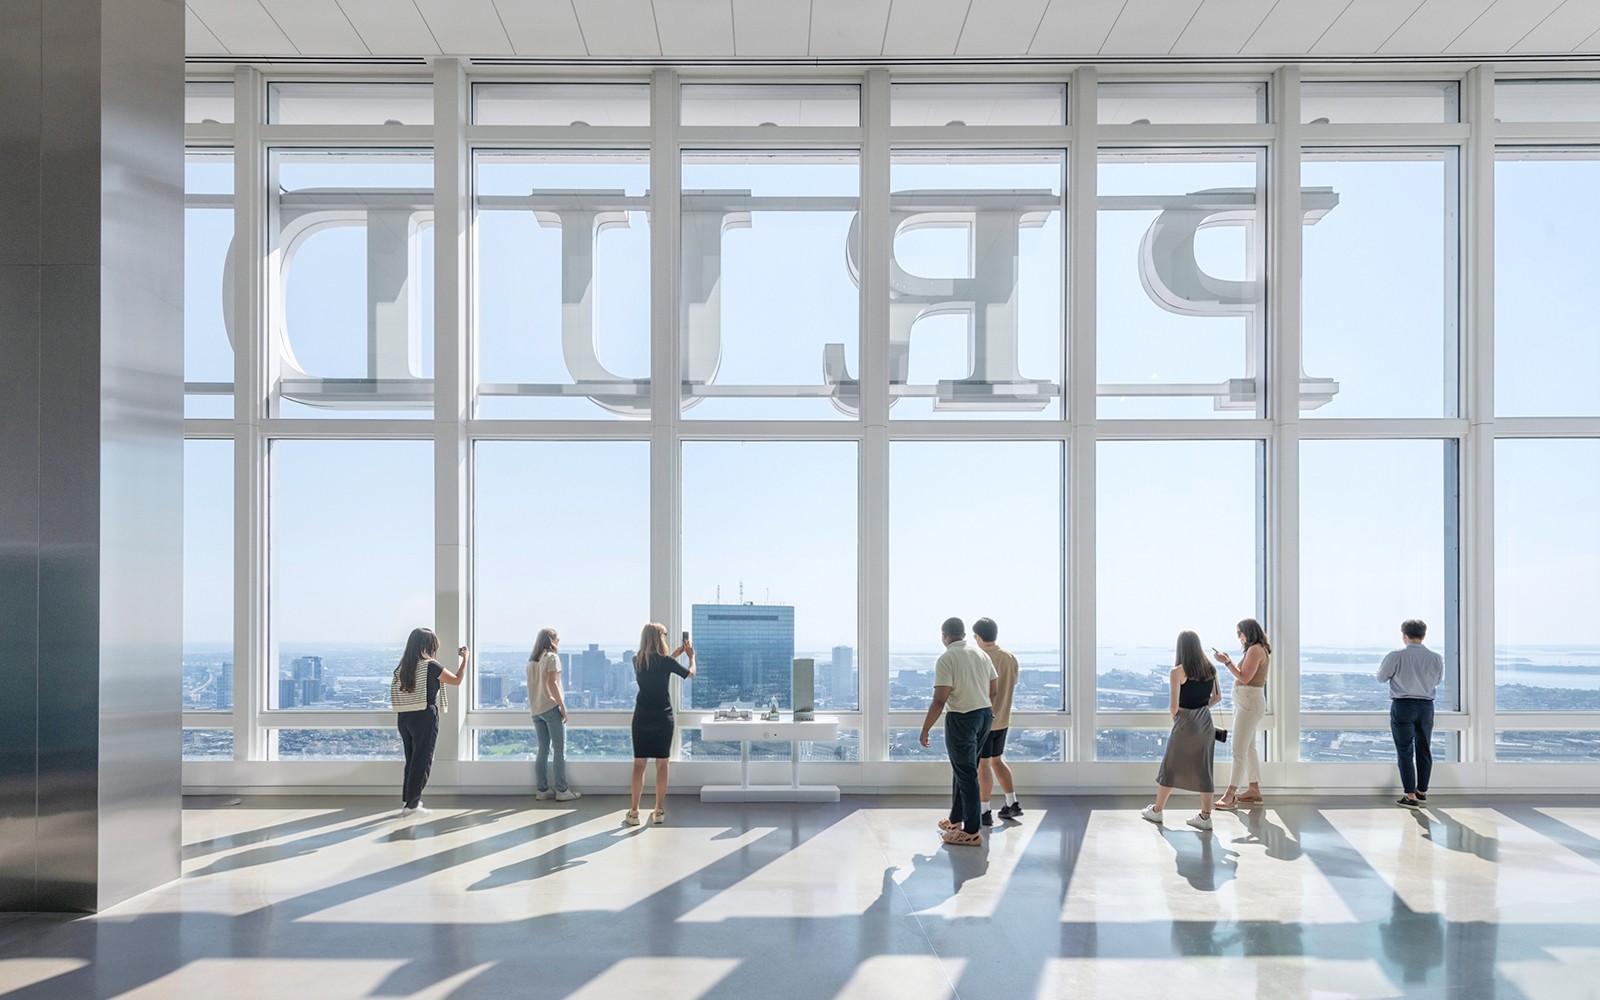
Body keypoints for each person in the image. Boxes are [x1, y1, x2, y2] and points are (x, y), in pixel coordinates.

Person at [919, 617, 998, 847]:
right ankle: (955, 820)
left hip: (962, 718)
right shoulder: (981, 654)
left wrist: (925, 729)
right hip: (984, 715)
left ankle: (972, 831)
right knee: (963, 769)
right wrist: (986, 710)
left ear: (944, 636)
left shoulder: (947, 658)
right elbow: (994, 689)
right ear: (964, 635)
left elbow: (939, 700)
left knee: (965, 773)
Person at [1141, 630, 1222, 831]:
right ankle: (1205, 817)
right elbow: (1217, 697)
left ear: (1181, 648)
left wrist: (1180, 717)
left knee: (1170, 767)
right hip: (1205, 724)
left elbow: (1173, 707)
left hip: (1185, 723)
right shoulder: (1211, 669)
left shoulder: (1177, 671)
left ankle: (1157, 811)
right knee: (1205, 770)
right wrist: (1202, 708)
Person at [393, 627, 468, 817]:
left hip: (404, 716)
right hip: (424, 716)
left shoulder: (404, 666)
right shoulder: (431, 665)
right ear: (427, 645)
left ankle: (409, 800)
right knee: (423, 760)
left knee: (411, 759)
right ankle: (412, 806)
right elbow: (457, 680)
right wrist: (465, 659)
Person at [628, 622, 695, 826]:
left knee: (639, 763)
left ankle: (634, 812)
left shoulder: (636, 660)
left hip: (641, 717)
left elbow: (654, 670)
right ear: (659, 638)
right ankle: (658, 810)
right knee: (661, 763)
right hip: (662, 717)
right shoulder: (665, 662)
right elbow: (690, 674)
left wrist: (673, 656)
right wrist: (691, 657)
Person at [1378, 619, 1444, 808]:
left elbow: (1381, 677)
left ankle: (1410, 795)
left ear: (1404, 635)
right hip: (1426, 707)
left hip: (1403, 705)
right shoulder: (1436, 657)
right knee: (1424, 748)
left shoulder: (1396, 655)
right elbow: (1438, 681)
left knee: (1405, 751)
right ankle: (1422, 791)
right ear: (1424, 635)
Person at [1213, 618, 1270, 809]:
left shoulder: (1255, 650)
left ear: (1249, 632)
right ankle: (1254, 790)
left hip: (1249, 704)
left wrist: (1226, 662)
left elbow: (1244, 678)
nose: (1238, 637)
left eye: (1240, 633)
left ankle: (1230, 794)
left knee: (1238, 750)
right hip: (1246, 703)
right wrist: (1229, 661)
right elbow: (1242, 673)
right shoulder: (1255, 649)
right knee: (1249, 748)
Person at [972, 617, 1021, 824]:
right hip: (1003, 719)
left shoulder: (979, 658)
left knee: (983, 764)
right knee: (997, 760)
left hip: (984, 720)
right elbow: (1013, 682)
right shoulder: (1009, 657)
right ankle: (1012, 802)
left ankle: (984, 811)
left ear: (978, 637)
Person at [527, 627, 580, 802]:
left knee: (543, 749)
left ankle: (542, 790)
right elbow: (552, 683)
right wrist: (562, 706)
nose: (559, 643)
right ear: (552, 640)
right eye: (558, 639)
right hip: (549, 707)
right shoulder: (552, 658)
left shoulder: (532, 661)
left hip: (536, 709)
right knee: (559, 750)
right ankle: (562, 790)